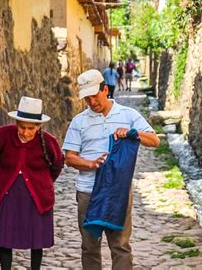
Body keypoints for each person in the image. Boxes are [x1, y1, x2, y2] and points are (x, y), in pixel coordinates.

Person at [62, 69, 160, 269]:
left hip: (118, 192)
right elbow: (69, 158)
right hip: (88, 191)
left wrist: (132, 133)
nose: (91, 102)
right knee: (89, 246)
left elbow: (154, 140)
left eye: (94, 96)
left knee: (120, 245)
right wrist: (91, 164)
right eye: (87, 99)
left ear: (105, 89)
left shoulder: (128, 114)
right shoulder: (79, 122)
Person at [0, 96, 64, 270]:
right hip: (7, 195)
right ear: (16, 122)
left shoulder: (49, 142)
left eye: (31, 128)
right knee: (4, 238)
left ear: (39, 126)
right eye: (21, 126)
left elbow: (57, 165)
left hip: (36, 197)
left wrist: (44, 183)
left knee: (36, 240)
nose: (25, 132)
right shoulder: (3, 135)